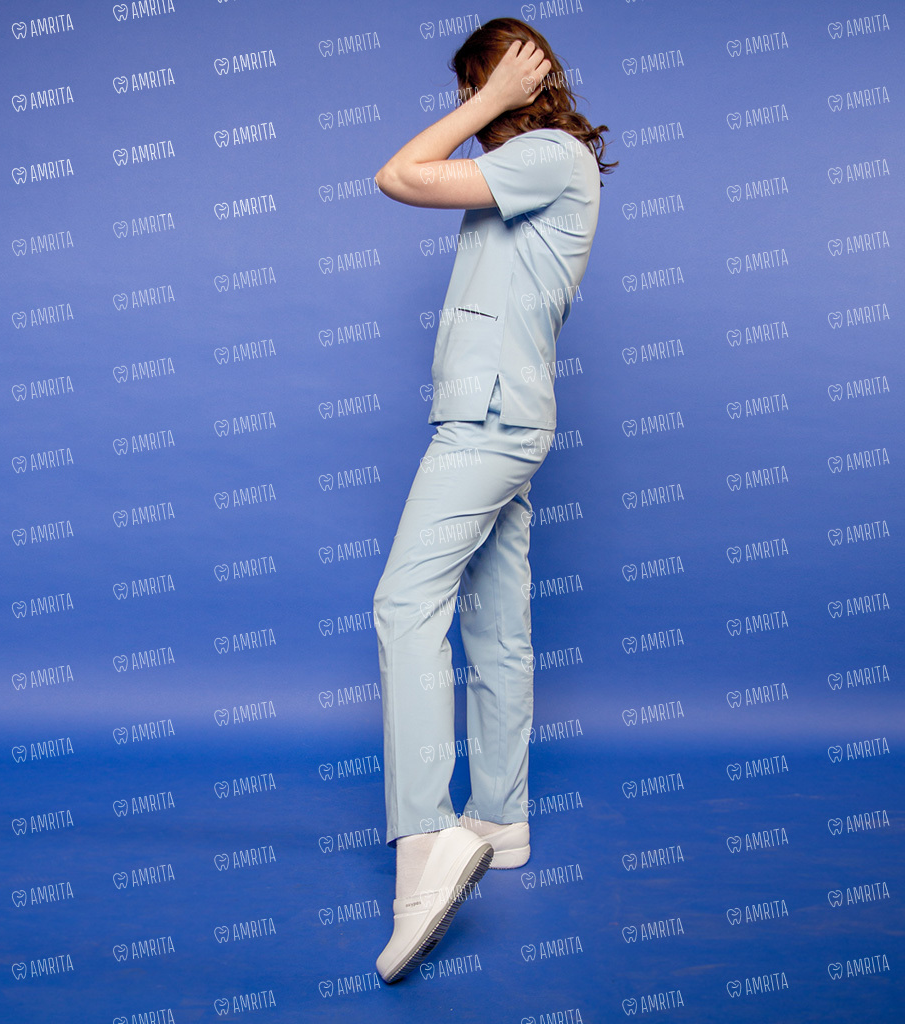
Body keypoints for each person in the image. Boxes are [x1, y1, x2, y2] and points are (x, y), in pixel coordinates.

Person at [371, 17, 613, 984]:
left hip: (489, 421)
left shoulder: (546, 156)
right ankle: (501, 818)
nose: (471, 113)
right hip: (508, 416)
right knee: (496, 621)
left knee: (404, 606)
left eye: (479, 89)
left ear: (520, 83)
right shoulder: (529, 172)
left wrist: (494, 101)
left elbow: (398, 174)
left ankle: (425, 841)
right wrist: (494, 104)